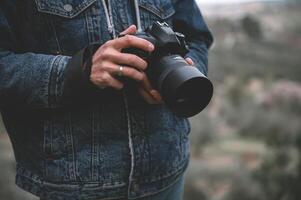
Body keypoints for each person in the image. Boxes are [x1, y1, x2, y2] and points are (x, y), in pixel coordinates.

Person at [0, 0, 213, 199]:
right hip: (72, 185)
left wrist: (184, 72)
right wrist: (78, 70)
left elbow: (196, 35)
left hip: (167, 171)